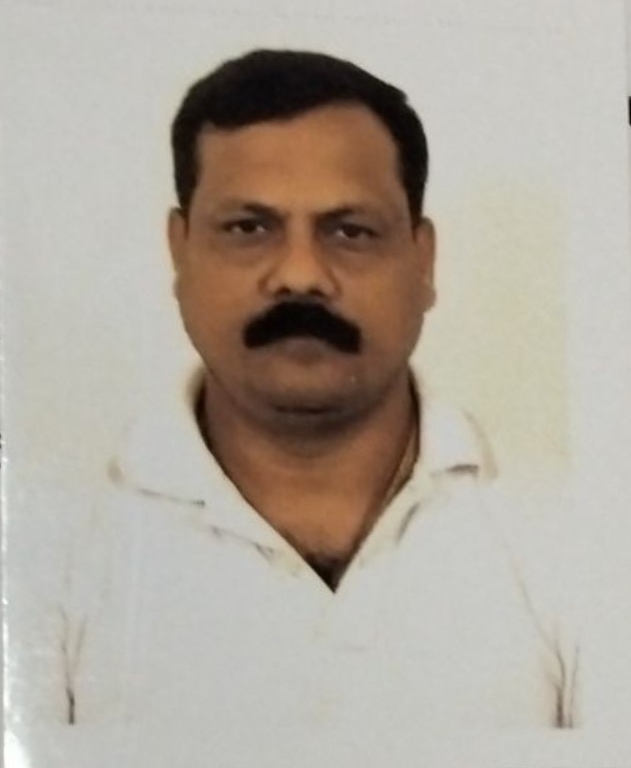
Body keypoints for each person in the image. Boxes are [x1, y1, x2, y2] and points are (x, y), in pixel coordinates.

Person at [8, 49, 579, 767]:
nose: (301, 274)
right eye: (249, 228)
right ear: (180, 252)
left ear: (423, 259)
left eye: (350, 231)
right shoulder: (45, 560)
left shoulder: (573, 545)